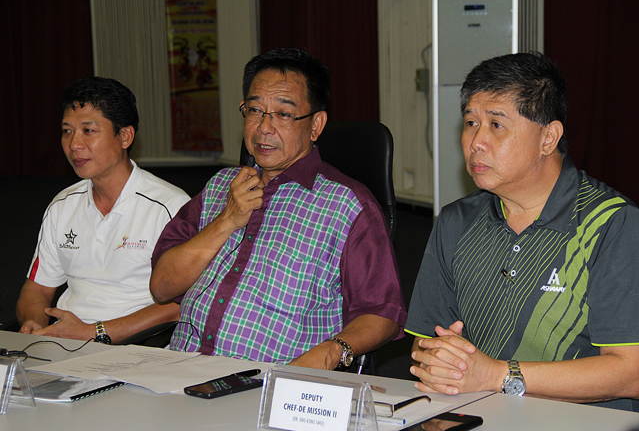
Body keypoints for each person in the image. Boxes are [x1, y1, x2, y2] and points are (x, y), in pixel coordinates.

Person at [405, 52, 639, 413]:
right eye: (470, 123)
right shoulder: (456, 222)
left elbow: (632, 375)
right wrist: (442, 361)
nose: (475, 141)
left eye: (496, 125)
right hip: (479, 415)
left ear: (548, 138)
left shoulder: (616, 227)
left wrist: (497, 375)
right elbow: (424, 342)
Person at [150, 47, 407, 369]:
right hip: (178, 367)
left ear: (316, 125)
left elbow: (383, 314)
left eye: (284, 114)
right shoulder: (220, 186)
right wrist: (227, 220)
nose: (263, 128)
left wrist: (332, 351)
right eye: (254, 110)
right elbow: (162, 287)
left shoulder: (347, 205)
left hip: (269, 382)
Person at [16, 77, 190, 344]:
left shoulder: (170, 207)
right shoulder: (62, 205)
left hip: (139, 345)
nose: (74, 144)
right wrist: (33, 322)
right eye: (67, 131)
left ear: (125, 136)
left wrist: (95, 332)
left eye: (88, 131)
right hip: (65, 341)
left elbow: (182, 305)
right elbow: (37, 288)